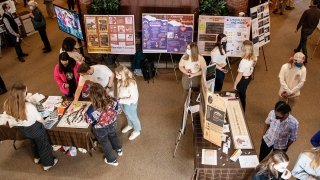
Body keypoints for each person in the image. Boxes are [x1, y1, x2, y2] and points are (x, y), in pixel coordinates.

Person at [3, 82, 58, 171]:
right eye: (26, 93)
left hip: (23, 129)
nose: (27, 94)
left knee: (33, 142)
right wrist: (45, 122)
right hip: (35, 128)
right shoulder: (29, 106)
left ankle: (37, 158)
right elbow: (40, 119)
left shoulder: (7, 103)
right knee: (43, 145)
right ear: (22, 95)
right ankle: (48, 164)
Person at [86, 82, 122, 167]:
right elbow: (119, 111)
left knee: (105, 143)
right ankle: (119, 149)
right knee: (113, 135)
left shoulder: (91, 109)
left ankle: (112, 160)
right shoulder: (113, 100)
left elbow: (89, 121)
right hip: (112, 123)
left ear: (92, 96)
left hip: (100, 129)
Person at [115, 65, 142, 141]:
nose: (116, 77)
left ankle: (137, 130)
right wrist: (119, 99)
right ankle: (130, 125)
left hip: (130, 104)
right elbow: (119, 91)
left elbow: (134, 98)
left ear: (123, 75)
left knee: (133, 117)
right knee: (127, 115)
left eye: (117, 75)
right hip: (122, 102)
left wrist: (120, 100)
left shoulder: (131, 84)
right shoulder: (120, 80)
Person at [233, 40, 257, 112]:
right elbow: (254, 64)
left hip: (243, 80)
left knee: (241, 96)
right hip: (248, 77)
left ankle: (242, 111)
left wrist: (235, 85)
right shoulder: (254, 56)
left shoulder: (243, 62)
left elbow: (239, 75)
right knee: (243, 94)